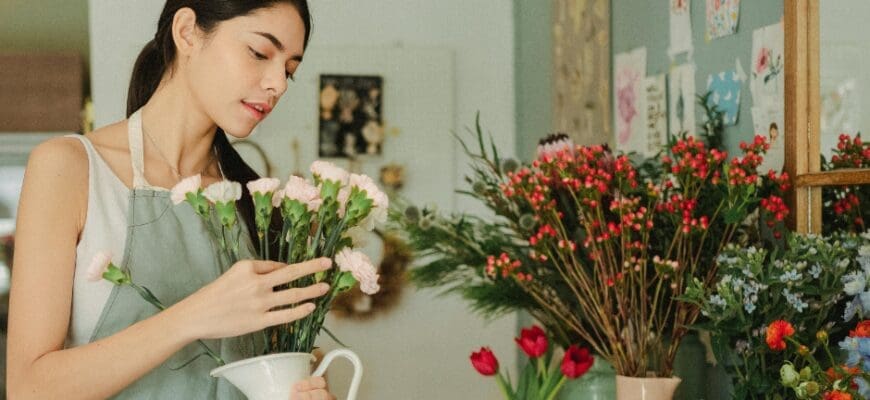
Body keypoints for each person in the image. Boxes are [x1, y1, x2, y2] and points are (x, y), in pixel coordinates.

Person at [7, 1, 337, 399]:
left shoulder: (261, 207)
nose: (278, 85)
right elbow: (29, 389)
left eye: (289, 71)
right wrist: (194, 316)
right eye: (259, 53)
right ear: (187, 32)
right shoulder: (70, 169)